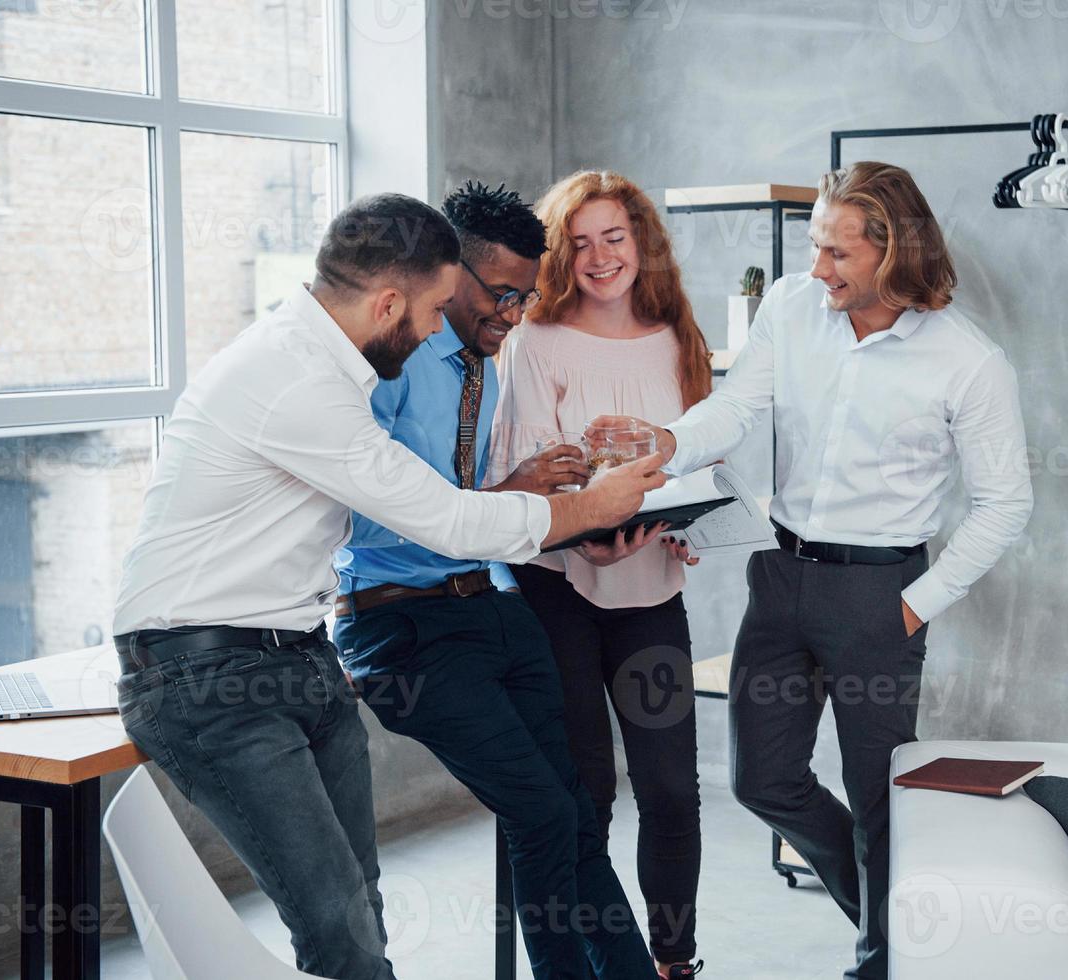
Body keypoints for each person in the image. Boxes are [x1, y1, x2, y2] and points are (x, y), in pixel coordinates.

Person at [113, 192, 663, 980]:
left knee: (361, 914)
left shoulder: (329, 365)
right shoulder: (300, 382)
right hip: (206, 671)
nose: (444, 328)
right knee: (342, 930)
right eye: (440, 307)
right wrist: (587, 506)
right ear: (388, 302)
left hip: (296, 654)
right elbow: (437, 518)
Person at [597, 162, 1033, 980]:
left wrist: (914, 606)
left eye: (838, 253)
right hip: (781, 575)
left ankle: (880, 963)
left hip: (879, 594)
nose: (818, 269)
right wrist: (670, 441)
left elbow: (1006, 503)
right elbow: (735, 407)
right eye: (813, 246)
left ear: (893, 253)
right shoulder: (794, 308)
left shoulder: (968, 361)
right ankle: (888, 922)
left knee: (878, 799)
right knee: (762, 779)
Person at [331, 180, 659, 980]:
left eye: (525, 297)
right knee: (544, 812)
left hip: (490, 606)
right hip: (401, 625)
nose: (513, 314)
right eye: (501, 295)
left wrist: (526, 487)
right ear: (449, 274)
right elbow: (375, 514)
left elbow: (468, 506)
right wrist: (520, 497)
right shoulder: (393, 363)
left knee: (571, 815)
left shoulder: (482, 364)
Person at [488, 170, 708, 980]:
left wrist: (685, 532)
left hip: (651, 593)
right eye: (578, 242)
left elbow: (696, 459)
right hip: (558, 593)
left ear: (641, 241)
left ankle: (672, 960)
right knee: (586, 795)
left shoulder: (676, 337)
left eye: (613, 236)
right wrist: (585, 541)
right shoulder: (535, 342)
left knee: (672, 793)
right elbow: (524, 468)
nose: (598, 256)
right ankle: (591, 960)